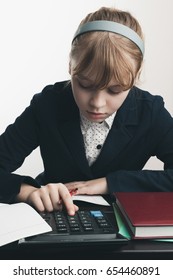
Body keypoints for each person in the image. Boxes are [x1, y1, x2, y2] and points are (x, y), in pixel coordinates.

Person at [0, 7, 173, 215]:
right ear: (70, 68)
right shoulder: (48, 104)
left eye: (114, 90)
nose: (97, 103)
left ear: (135, 76)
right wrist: (28, 192)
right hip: (53, 217)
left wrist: (109, 183)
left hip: (122, 224)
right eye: (84, 85)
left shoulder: (150, 112)